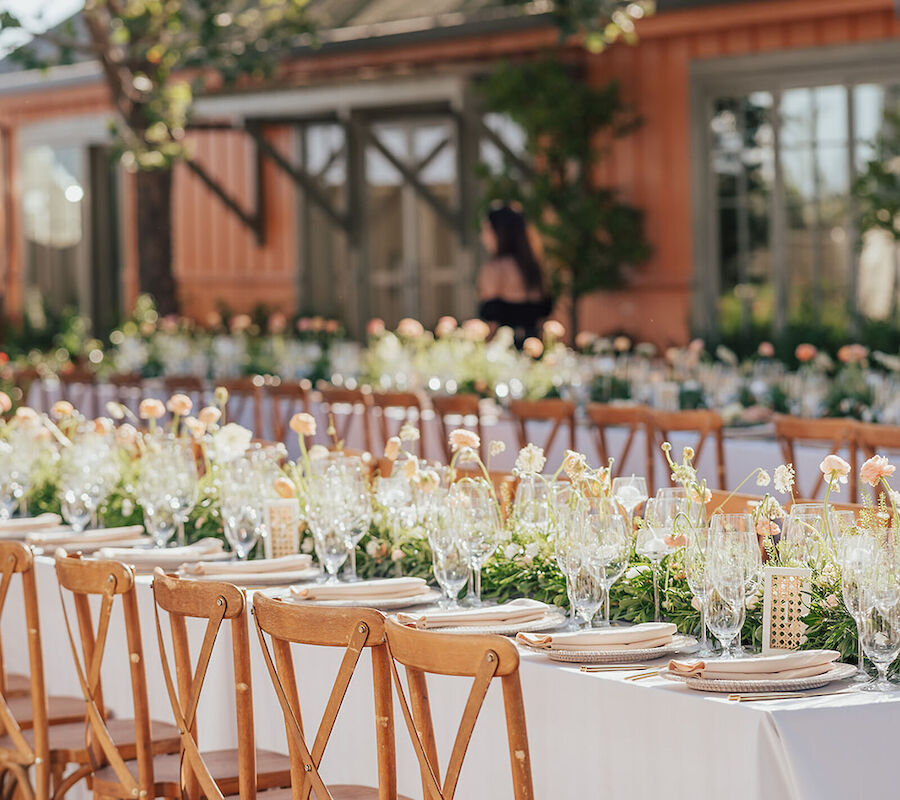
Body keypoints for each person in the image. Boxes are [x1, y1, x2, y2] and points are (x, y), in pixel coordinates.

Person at [477, 204, 552, 348]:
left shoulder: (495, 270)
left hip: (504, 356)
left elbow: (491, 325)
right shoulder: (536, 269)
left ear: (500, 232)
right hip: (536, 352)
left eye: (486, 229)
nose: (483, 237)